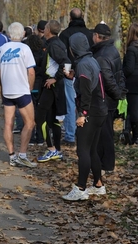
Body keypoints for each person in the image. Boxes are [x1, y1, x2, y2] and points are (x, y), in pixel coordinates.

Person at [62, 33, 108, 201]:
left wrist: (83, 114)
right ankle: (98, 185)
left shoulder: (82, 64)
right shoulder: (91, 60)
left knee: (83, 150)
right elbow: (91, 82)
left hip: (91, 111)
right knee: (92, 149)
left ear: (73, 48)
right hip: (101, 110)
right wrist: (73, 77)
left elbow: (87, 90)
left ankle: (81, 188)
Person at [0, 22, 37, 168]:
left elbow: (0, 72)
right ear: (23, 34)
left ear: (9, 34)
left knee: (8, 124)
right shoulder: (25, 48)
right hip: (22, 90)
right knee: (30, 123)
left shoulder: (2, 49)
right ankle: (23, 155)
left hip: (7, 90)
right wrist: (30, 88)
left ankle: (12, 155)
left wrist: (2, 88)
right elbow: (31, 72)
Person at [91, 22, 126, 177]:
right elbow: (120, 73)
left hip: (105, 98)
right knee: (106, 132)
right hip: (110, 98)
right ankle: (105, 163)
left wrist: (117, 94)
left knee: (104, 134)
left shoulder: (102, 55)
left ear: (97, 36)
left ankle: (106, 165)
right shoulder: (112, 50)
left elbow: (108, 79)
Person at [36, 20, 70, 163]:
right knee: (53, 119)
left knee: (40, 118)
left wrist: (56, 79)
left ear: (48, 29)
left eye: (46, 27)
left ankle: (51, 149)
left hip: (52, 86)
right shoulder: (55, 43)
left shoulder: (54, 45)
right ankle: (57, 150)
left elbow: (67, 63)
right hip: (55, 86)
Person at [59, 8, 94, 146]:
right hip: (87, 72)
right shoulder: (89, 34)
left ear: (70, 18)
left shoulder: (65, 34)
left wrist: (67, 72)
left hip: (71, 73)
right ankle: (85, 132)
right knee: (86, 101)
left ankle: (70, 135)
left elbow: (64, 55)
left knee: (70, 104)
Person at [25, 34, 45, 145]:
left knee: (29, 114)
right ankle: (40, 138)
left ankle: (31, 138)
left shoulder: (27, 55)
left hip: (29, 85)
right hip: (40, 86)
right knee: (40, 113)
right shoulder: (43, 54)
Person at [123, 23, 138, 145]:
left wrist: (120, 74)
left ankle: (136, 136)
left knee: (134, 111)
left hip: (133, 84)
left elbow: (129, 69)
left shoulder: (132, 49)